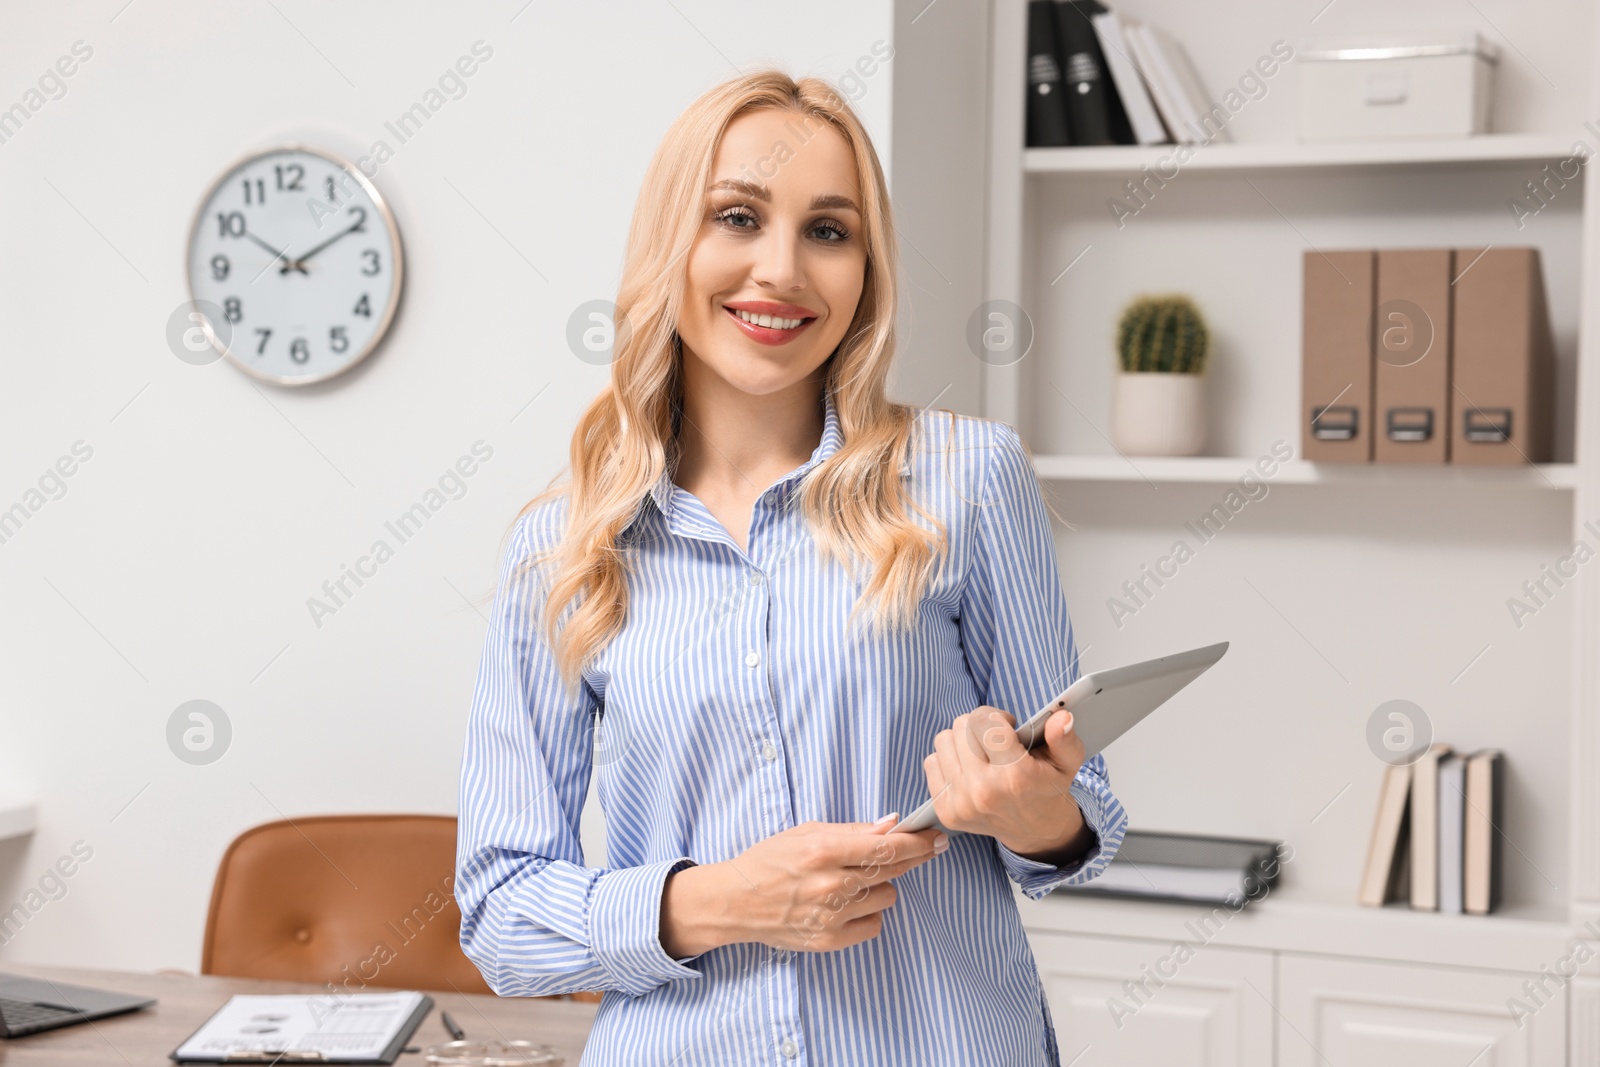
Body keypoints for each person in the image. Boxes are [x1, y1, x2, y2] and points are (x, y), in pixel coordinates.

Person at [456, 68, 1127, 1066]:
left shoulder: (966, 480)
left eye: (828, 230)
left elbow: (1086, 821)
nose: (781, 269)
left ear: (867, 268)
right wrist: (720, 900)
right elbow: (501, 912)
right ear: (670, 243)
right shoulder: (563, 547)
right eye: (736, 216)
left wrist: (1038, 814)